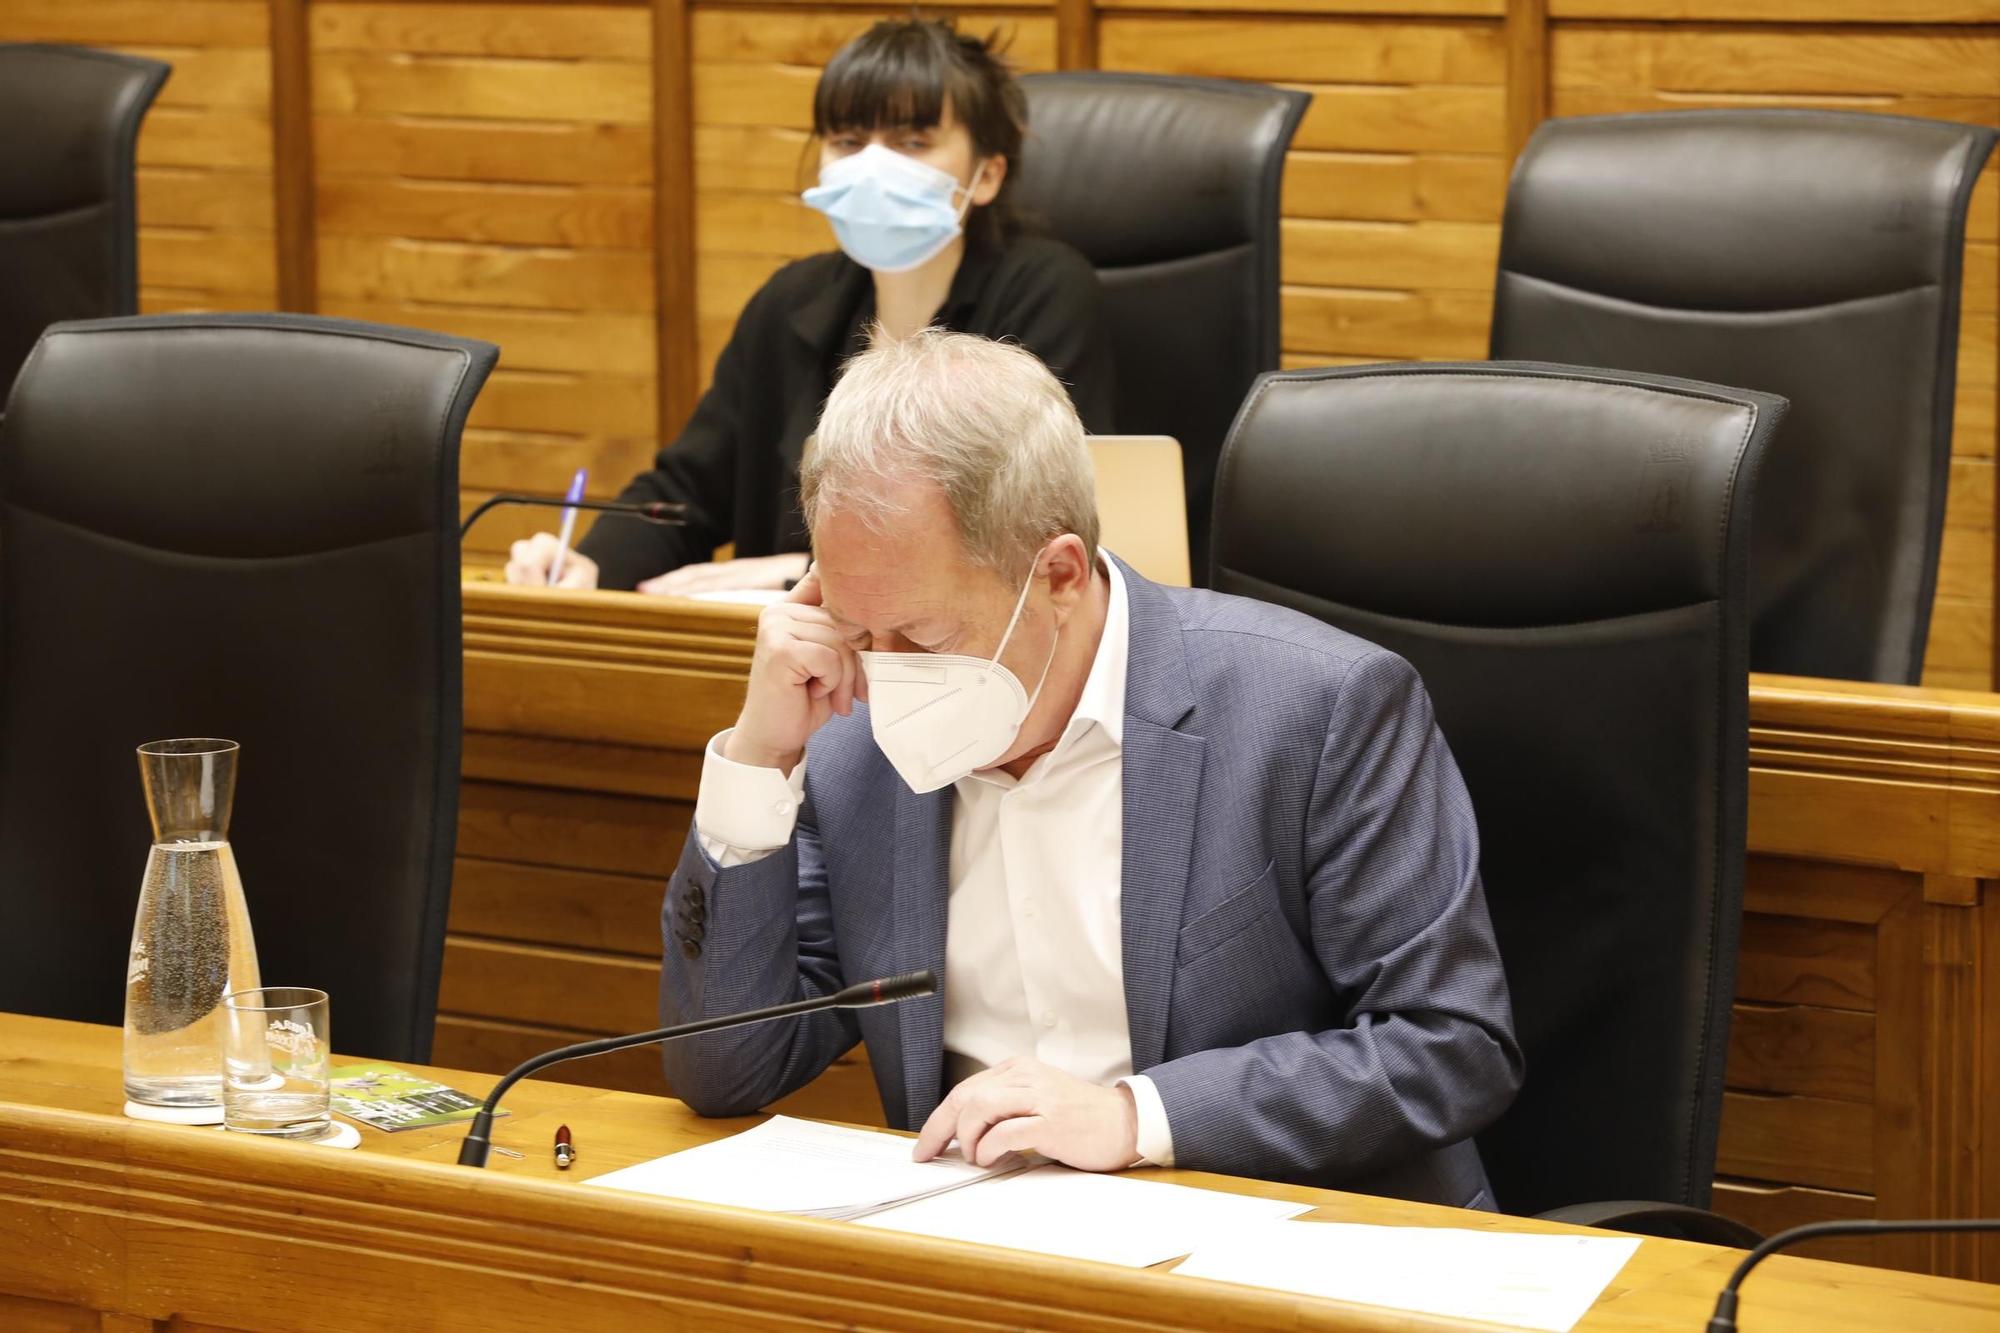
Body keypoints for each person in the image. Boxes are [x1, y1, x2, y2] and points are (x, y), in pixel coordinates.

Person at [658, 329, 1523, 1207]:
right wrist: (759, 759)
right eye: (852, 626)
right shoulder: (849, 740)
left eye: (920, 637)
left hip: (1296, 1250)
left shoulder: (1319, 710)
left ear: (1060, 574)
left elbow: (1449, 1044)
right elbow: (727, 1066)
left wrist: (1134, 1117)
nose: (880, 676)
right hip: (995, 1261)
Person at [507, 18, 1115, 595]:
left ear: (987, 175)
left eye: (913, 141)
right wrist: (591, 561)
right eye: (848, 140)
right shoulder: (791, 301)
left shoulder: (1045, 291)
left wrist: (803, 572)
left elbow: (1029, 526)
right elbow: (686, 493)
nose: (874, 166)